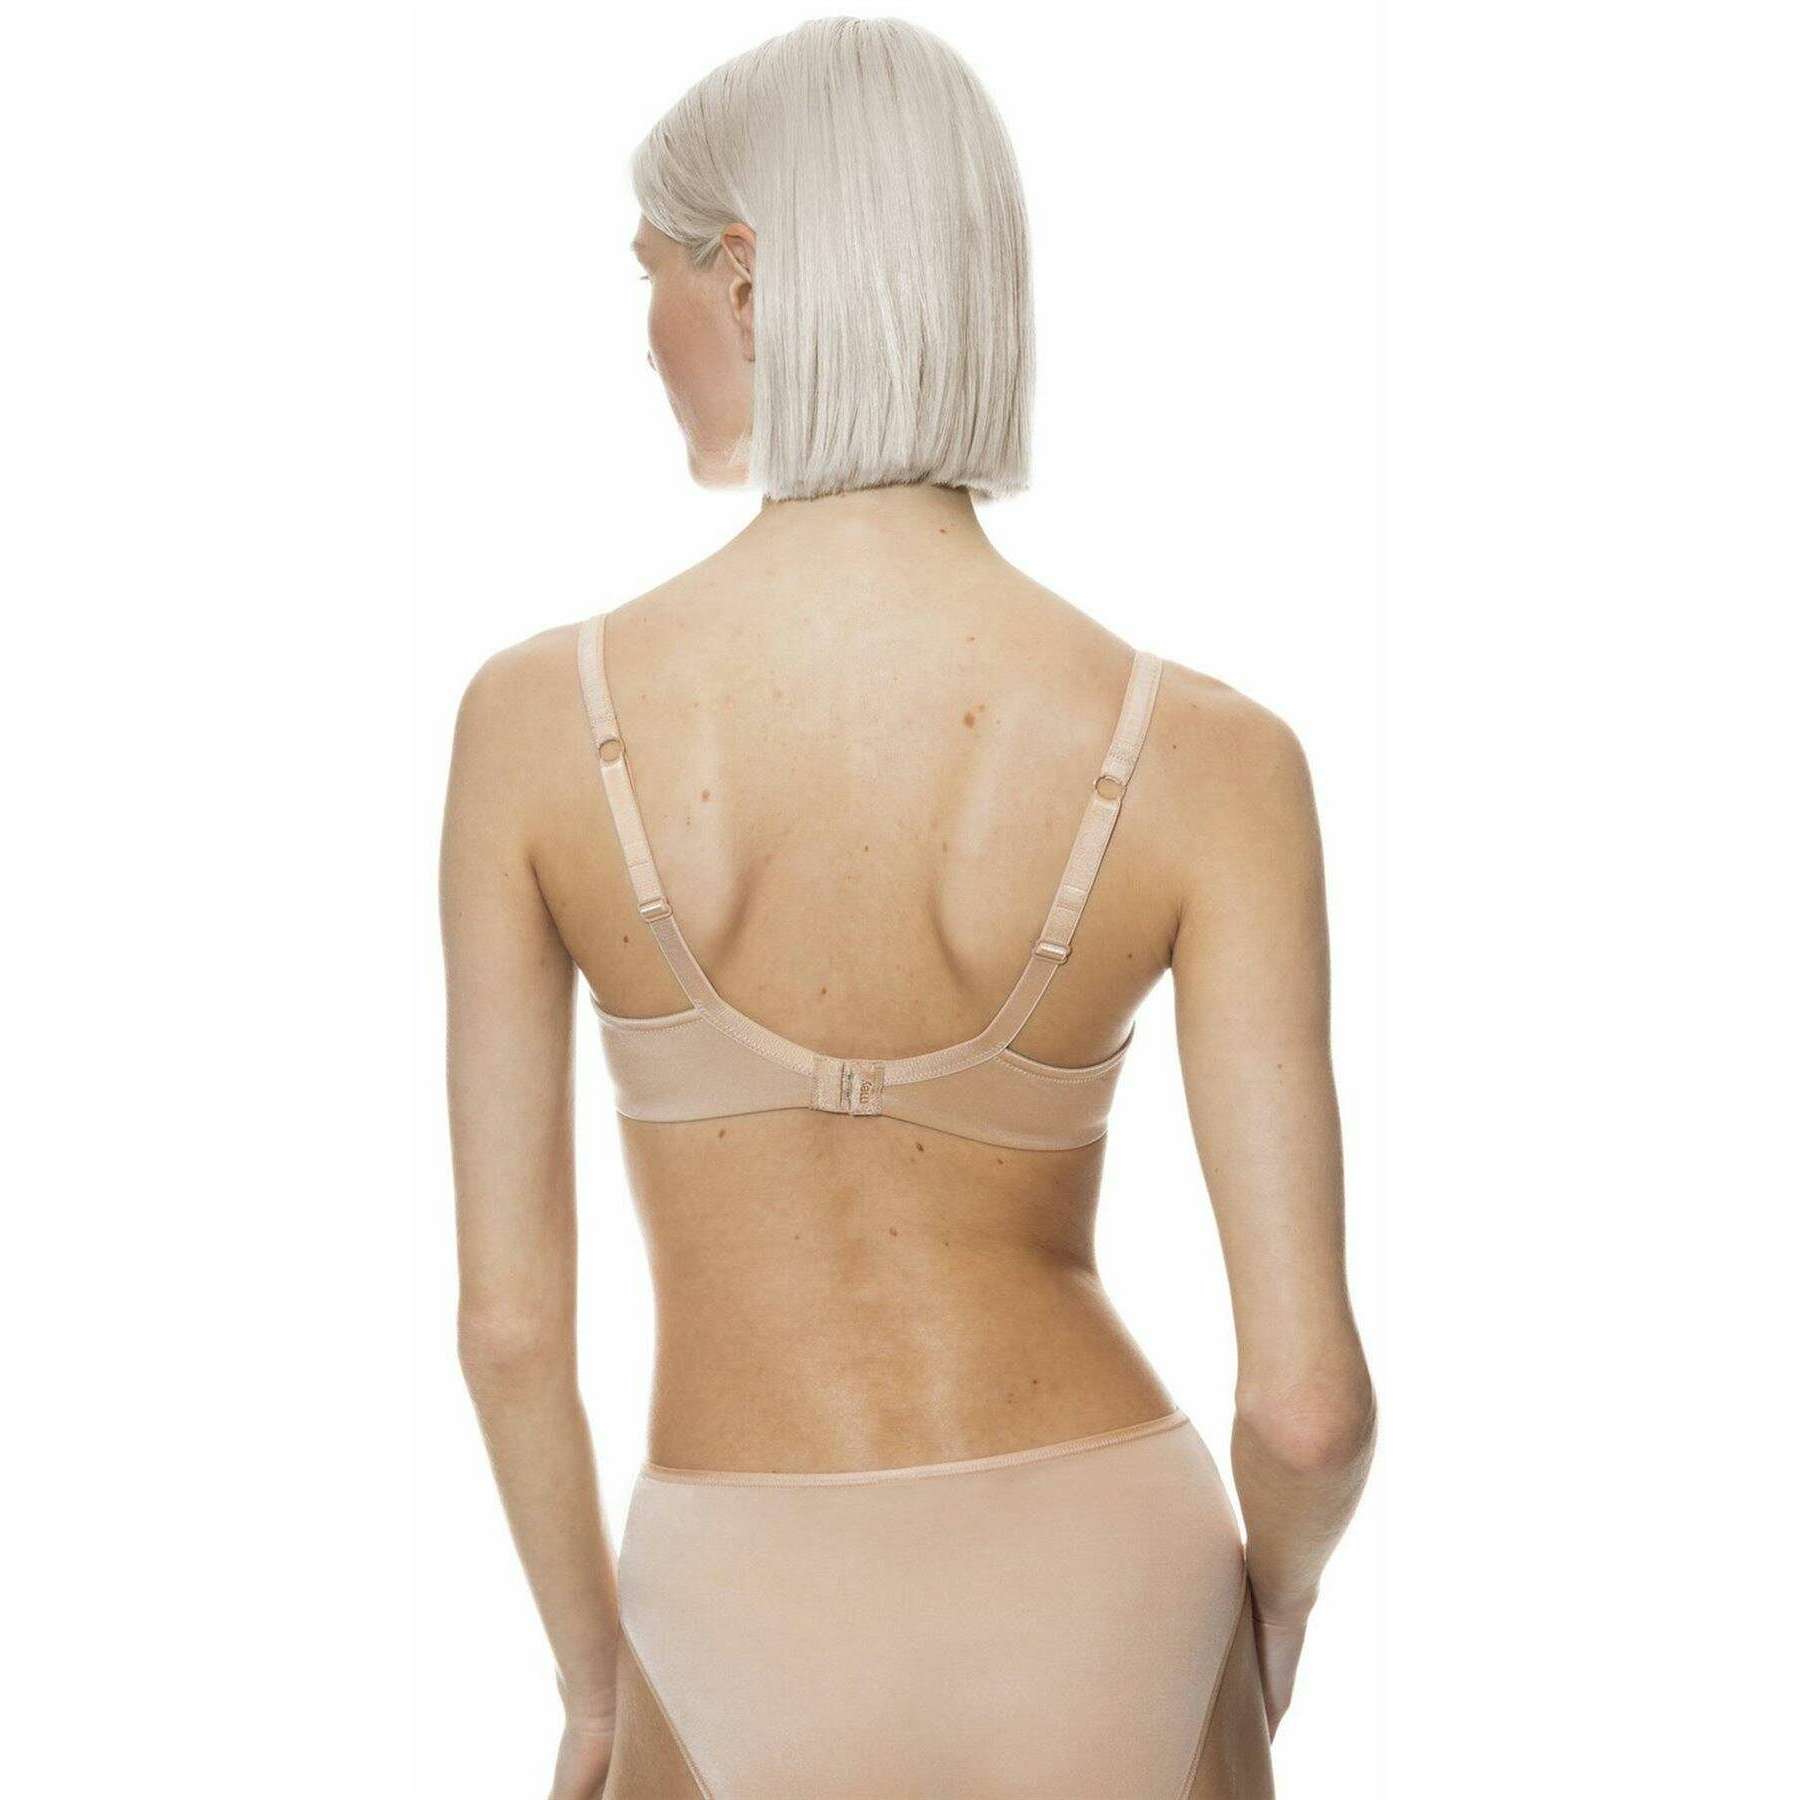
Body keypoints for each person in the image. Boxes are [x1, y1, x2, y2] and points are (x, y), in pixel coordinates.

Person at [440, 18, 1375, 1798]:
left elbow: (510, 1332)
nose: (642, 335)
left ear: (744, 278)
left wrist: (596, 1687)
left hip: (737, 1585)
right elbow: (1307, 1408)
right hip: (1112, 1572)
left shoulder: (534, 724)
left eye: (647, 274)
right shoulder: (1214, 757)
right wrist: (1266, 1615)